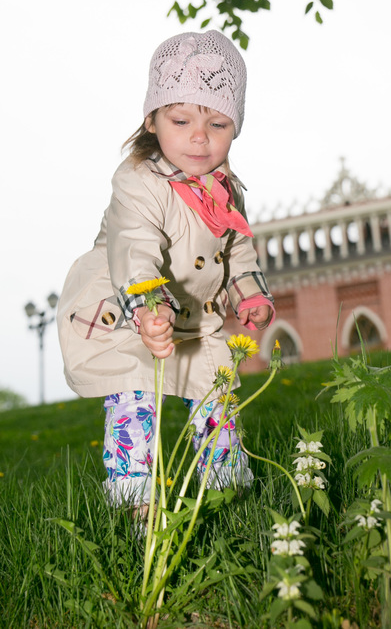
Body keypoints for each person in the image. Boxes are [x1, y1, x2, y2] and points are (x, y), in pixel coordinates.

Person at [57, 30, 275, 510]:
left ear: (235, 129)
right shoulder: (138, 180)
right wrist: (149, 304)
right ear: (152, 120)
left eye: (218, 123)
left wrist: (249, 293)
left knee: (216, 394)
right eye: (181, 120)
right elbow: (134, 246)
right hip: (126, 308)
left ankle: (226, 492)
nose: (200, 136)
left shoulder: (225, 190)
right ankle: (136, 502)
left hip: (195, 315)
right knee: (134, 395)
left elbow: (237, 247)